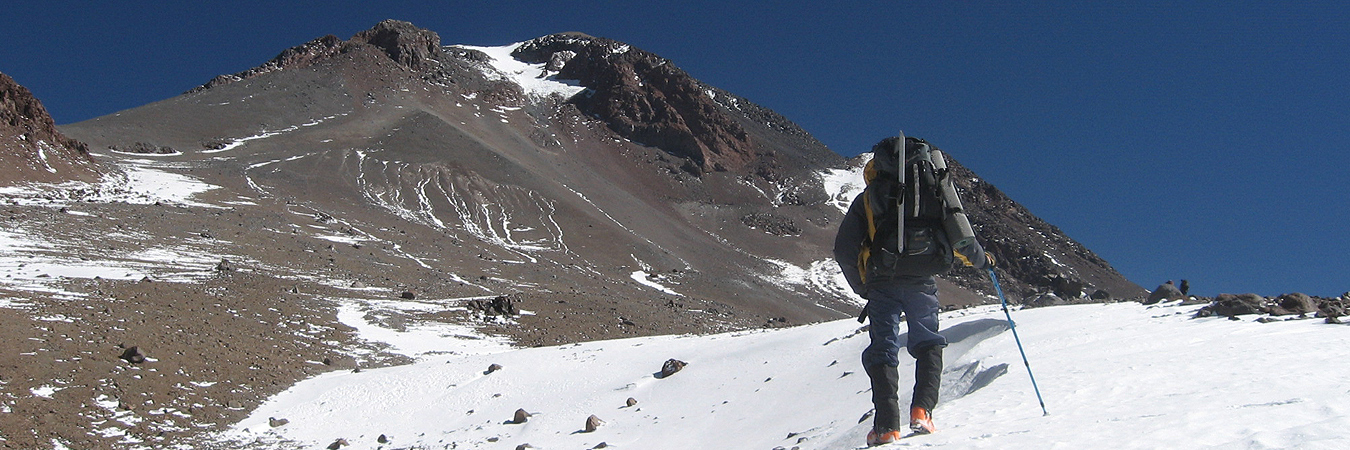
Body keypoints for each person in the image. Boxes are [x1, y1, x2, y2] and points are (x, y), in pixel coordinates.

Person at [834, 136, 993, 446]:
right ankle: (922, 411)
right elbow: (958, 233)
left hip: (882, 281)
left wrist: (862, 286)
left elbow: (844, 250)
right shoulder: (933, 190)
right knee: (929, 342)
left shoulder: (869, 198)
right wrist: (983, 261)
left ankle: (886, 427)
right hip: (922, 278)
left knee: (883, 347)